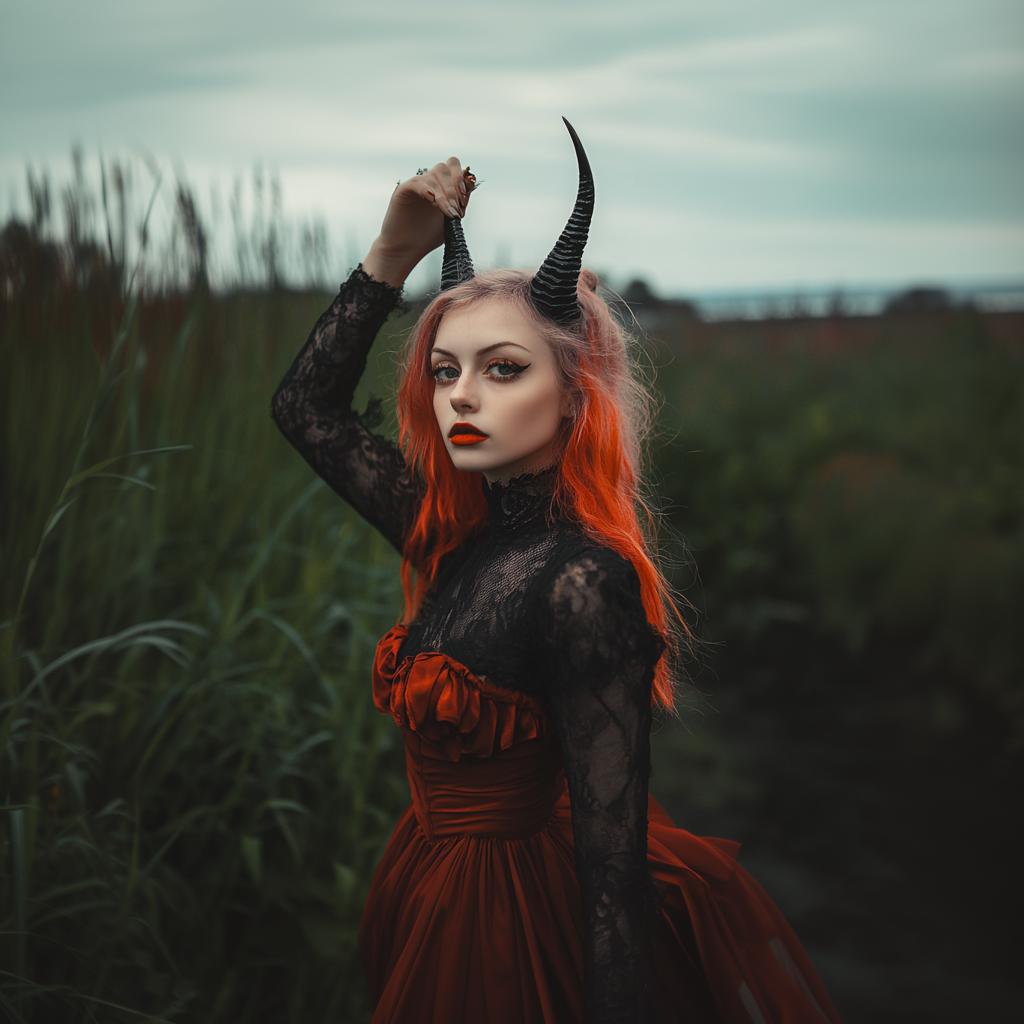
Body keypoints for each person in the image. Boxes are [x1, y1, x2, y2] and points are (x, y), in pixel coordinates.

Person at [270, 117, 844, 1024]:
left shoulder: (582, 583)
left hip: (511, 926)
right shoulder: (454, 532)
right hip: (427, 889)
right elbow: (305, 410)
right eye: (445, 370)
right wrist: (394, 250)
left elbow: (613, 873)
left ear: (575, 394)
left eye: (503, 370)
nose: (461, 396)